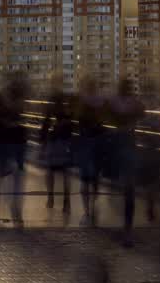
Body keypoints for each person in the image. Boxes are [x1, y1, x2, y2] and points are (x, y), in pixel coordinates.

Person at [107, 79, 145, 245]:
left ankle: (124, 226)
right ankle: (127, 228)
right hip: (129, 142)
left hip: (117, 144)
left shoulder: (113, 103)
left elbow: (108, 118)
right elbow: (142, 112)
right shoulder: (135, 103)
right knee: (129, 189)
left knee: (120, 185)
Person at [0, 72, 29, 226]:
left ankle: (14, 207)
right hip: (13, 140)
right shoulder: (9, 98)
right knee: (14, 174)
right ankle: (15, 208)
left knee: (11, 173)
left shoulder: (2, 96)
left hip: (11, 140)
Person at [75, 78, 107, 226]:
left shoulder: (82, 103)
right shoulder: (102, 103)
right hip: (98, 144)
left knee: (85, 180)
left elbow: (78, 122)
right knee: (94, 179)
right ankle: (92, 208)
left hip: (86, 143)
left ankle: (87, 211)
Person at [42, 76, 74, 213]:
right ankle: (66, 200)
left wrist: (42, 139)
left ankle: (51, 197)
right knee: (65, 171)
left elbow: (46, 121)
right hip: (65, 138)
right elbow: (72, 118)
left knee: (50, 170)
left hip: (55, 138)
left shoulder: (53, 99)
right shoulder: (67, 99)